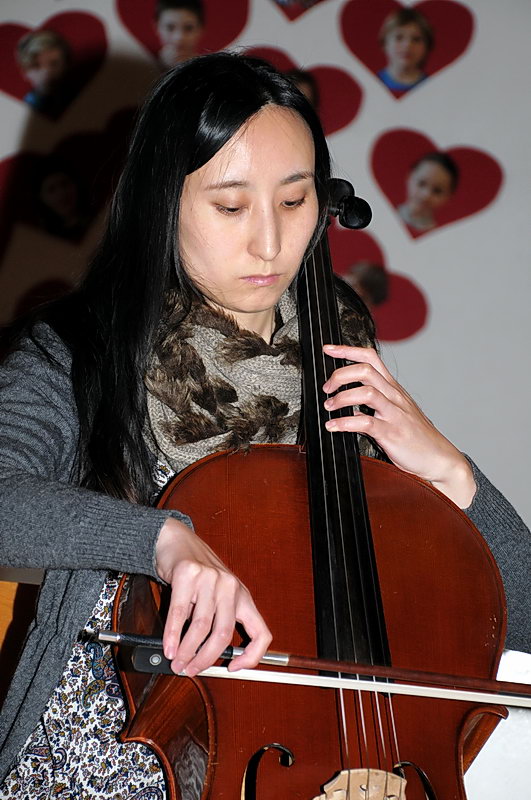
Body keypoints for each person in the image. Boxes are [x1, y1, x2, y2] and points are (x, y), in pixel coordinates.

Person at [0, 52, 529, 798]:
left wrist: (451, 474)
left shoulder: (343, 363)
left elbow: (518, 625)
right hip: (106, 767)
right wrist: (158, 539)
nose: (271, 244)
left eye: (294, 201)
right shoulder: (78, 353)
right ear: (161, 204)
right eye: (230, 206)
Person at [16, 29, 75, 118]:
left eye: (54, 63)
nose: (47, 72)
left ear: (67, 64)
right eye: (36, 66)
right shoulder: (22, 107)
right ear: (25, 72)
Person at [397, 151, 459, 232]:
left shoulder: (437, 235)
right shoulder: (385, 214)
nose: (426, 195)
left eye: (437, 191)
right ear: (409, 177)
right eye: (421, 183)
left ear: (448, 197)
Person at [377, 8, 433, 94]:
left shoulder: (433, 86)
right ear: (385, 43)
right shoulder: (373, 82)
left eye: (416, 39)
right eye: (399, 38)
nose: (407, 45)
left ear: (427, 46)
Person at [154, 0, 204, 70]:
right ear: (156, 27)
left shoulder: (210, 70)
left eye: (188, 28)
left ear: (200, 29)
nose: (179, 38)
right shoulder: (140, 66)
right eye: (170, 27)